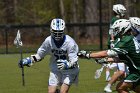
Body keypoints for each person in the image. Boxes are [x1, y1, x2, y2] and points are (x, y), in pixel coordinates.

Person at [78, 17, 140, 93]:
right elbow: (122, 58)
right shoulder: (130, 38)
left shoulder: (126, 40)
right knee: (135, 89)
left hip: (137, 72)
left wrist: (88, 54)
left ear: (124, 29)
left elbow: (107, 53)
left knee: (120, 88)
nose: (115, 31)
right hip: (136, 70)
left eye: (117, 29)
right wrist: (106, 60)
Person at [19, 18, 79, 93]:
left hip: (69, 70)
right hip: (55, 68)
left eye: (59, 32)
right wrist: (28, 60)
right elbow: (39, 55)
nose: (57, 34)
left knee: (63, 92)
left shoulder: (70, 42)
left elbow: (74, 61)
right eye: (55, 31)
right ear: (51, 30)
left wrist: (67, 65)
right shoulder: (48, 41)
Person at [106, 4, 127, 83]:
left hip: (115, 41)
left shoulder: (115, 19)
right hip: (115, 42)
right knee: (120, 60)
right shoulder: (115, 19)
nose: (124, 12)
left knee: (118, 60)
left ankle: (116, 75)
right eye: (122, 11)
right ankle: (118, 76)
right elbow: (112, 32)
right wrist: (112, 40)